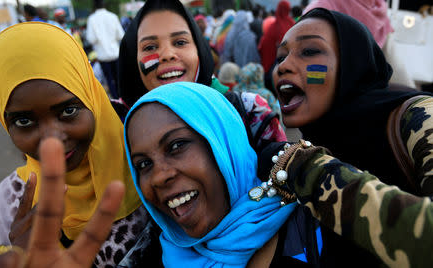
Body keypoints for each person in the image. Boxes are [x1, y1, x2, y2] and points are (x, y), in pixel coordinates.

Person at [270, 7, 433, 266]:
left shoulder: (419, 115)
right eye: (280, 57)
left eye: (309, 51)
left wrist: (310, 172)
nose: (283, 66)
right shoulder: (318, 138)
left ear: (352, 63)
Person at [0, 22, 147, 267]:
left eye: (68, 110)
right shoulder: (8, 204)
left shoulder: (147, 170)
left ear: (91, 97)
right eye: (24, 120)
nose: (52, 142)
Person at [124, 82, 320, 267]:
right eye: (143, 164)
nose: (158, 177)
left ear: (225, 145)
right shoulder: (153, 258)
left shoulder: (313, 223)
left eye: (176, 146)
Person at [118, 0, 287, 152]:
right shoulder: (117, 124)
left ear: (198, 49)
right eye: (150, 47)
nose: (167, 54)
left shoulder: (250, 113)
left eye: (180, 42)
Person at [0, 137, 125, 268]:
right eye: (24, 121)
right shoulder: (8, 198)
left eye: (69, 111)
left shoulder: (137, 186)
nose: (51, 138)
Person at [86, 0, 124, 99]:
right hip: (115, 53)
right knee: (119, 79)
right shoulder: (113, 16)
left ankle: (116, 100)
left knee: (109, 80)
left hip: (103, 56)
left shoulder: (92, 19)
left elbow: (91, 39)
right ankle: (124, 98)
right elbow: (120, 35)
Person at [259, 0, 295, 74]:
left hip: (274, 64)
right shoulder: (292, 24)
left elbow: (264, 44)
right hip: (292, 63)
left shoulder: (273, 26)